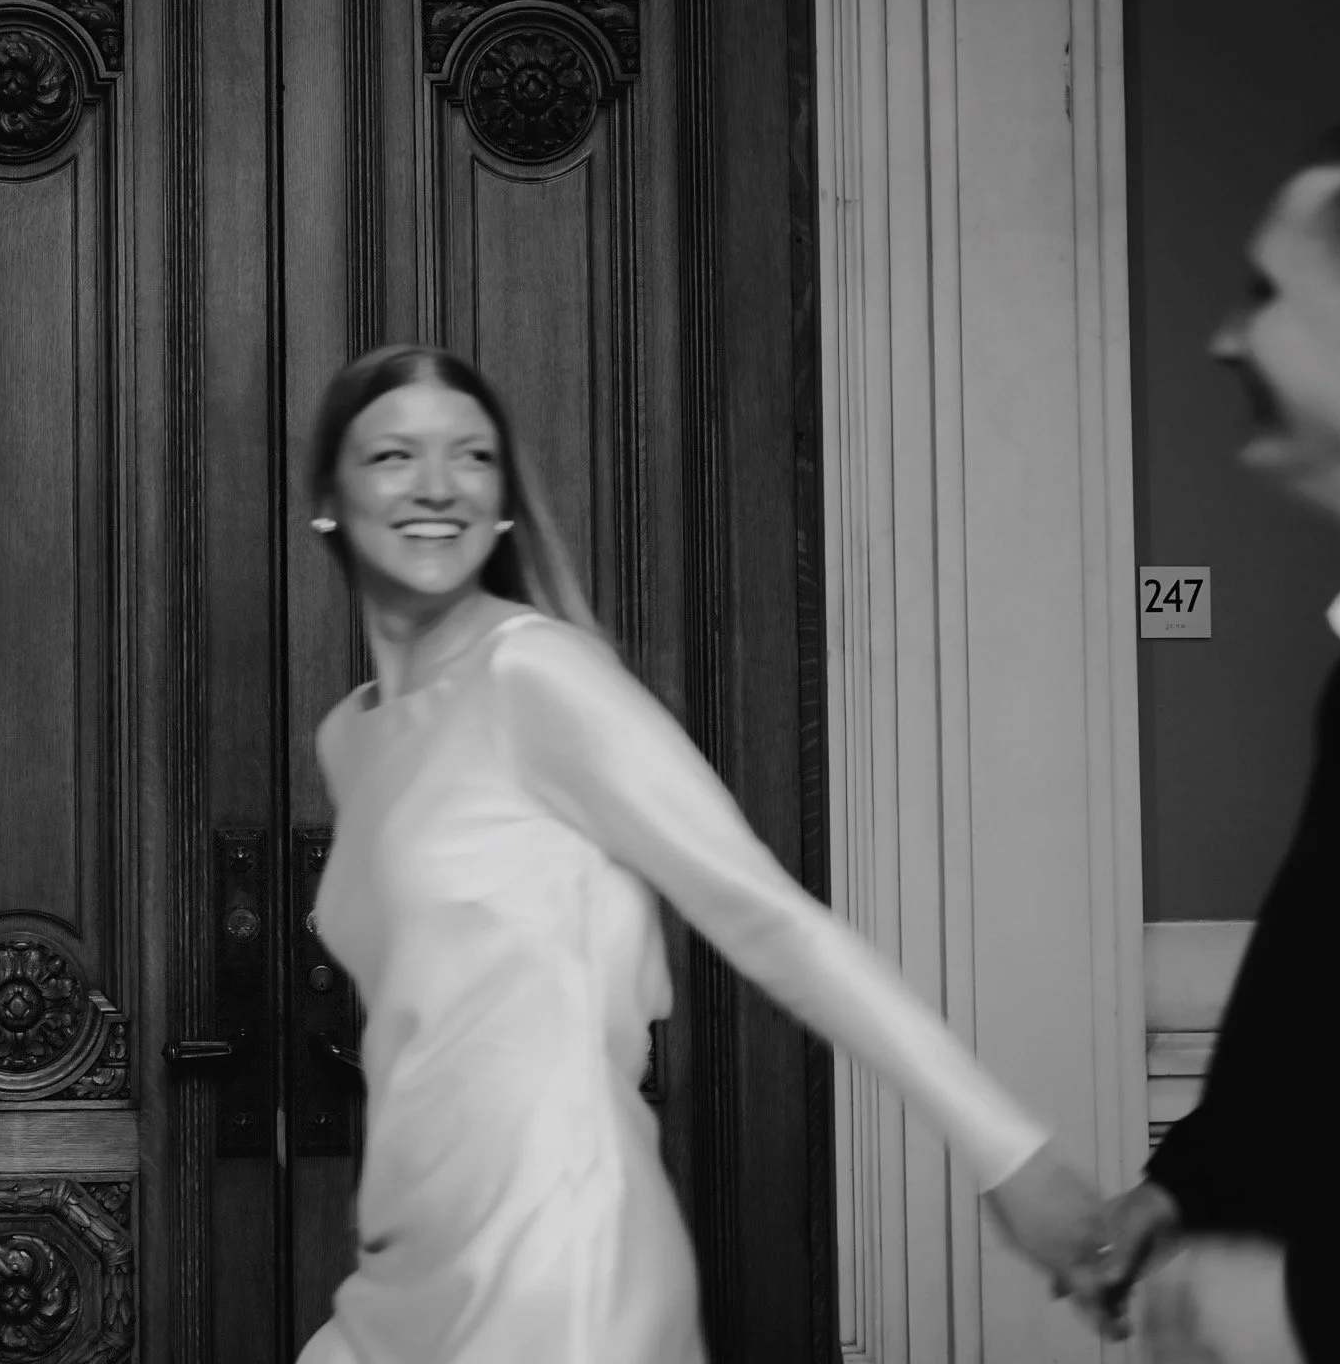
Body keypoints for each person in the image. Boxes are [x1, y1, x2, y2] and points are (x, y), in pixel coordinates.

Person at [291, 344, 1113, 1364]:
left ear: (504, 500)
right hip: (404, 1267)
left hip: (558, 1257)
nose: (437, 486)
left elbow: (766, 914)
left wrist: (1006, 1151)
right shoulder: (352, 737)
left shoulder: (538, 676)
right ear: (330, 496)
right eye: (393, 458)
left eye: (471, 456)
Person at [1094, 106, 1340, 1364]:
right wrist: (1183, 1187)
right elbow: (1339, 1028)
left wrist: (1302, 1307)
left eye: (1265, 293)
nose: (1222, 335)